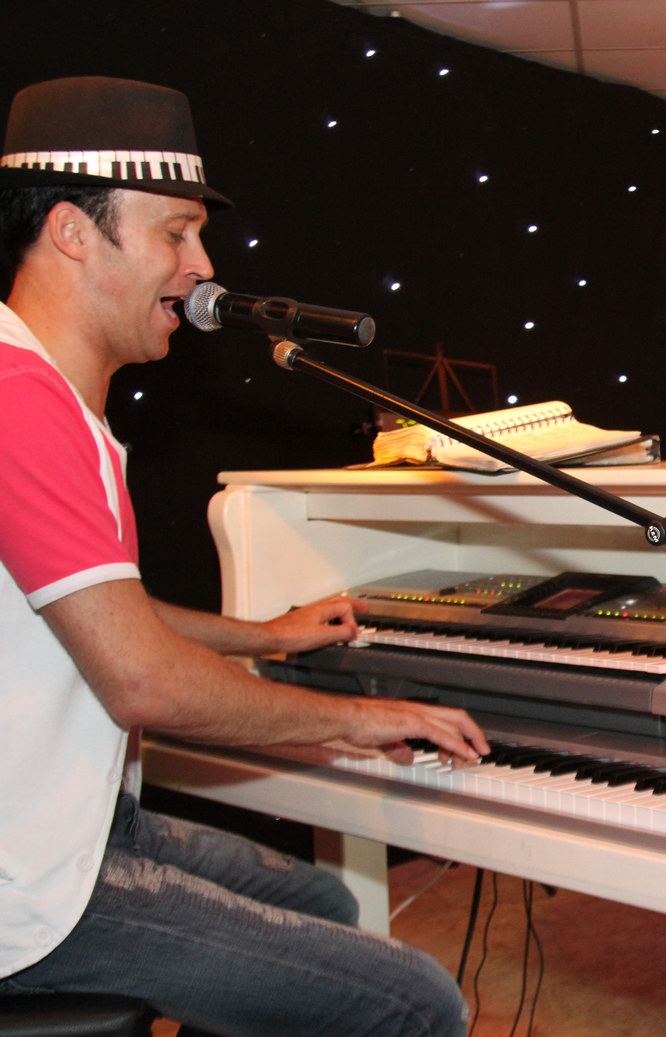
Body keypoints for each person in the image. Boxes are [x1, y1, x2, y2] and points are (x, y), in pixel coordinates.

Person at [0, 77, 489, 1036]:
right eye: (176, 232)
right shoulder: (21, 403)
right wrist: (356, 720)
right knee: (417, 1001)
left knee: (323, 898)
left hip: (72, 824)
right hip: (27, 879)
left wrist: (263, 635)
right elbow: (140, 678)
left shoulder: (42, 392)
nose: (202, 266)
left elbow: (91, 609)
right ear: (72, 231)